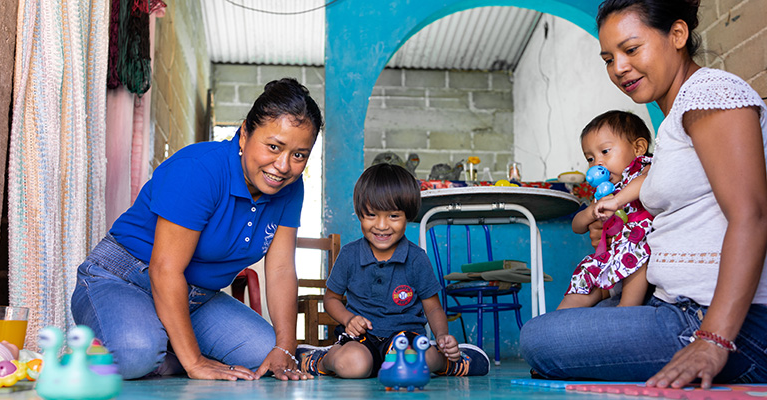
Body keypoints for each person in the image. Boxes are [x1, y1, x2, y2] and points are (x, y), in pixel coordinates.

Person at [520, 0, 767, 389]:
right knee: (550, 330)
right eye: (608, 58)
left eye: (631, 49)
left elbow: (751, 214)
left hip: (730, 325)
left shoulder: (711, 93)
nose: (618, 68)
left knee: (541, 339)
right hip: (675, 308)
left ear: (678, 35)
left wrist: (713, 340)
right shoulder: (674, 122)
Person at [71, 78, 323, 381]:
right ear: (244, 133)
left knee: (264, 353)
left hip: (196, 298)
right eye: (273, 146)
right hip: (124, 279)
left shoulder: (290, 189)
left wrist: (285, 346)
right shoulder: (199, 169)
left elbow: (281, 268)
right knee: (134, 353)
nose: (283, 166)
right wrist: (194, 362)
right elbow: (164, 269)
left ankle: (165, 349)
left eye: (299, 155)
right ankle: (156, 347)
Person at [296, 163, 490, 378]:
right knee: (353, 366)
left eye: (393, 216)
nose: (381, 225)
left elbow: (433, 308)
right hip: (360, 339)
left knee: (413, 360)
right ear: (359, 213)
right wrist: (348, 319)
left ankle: (450, 362)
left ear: (408, 215)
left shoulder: (416, 258)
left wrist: (443, 336)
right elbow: (331, 299)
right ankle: (319, 359)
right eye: (371, 215)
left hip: (405, 339)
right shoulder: (349, 255)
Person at [559, 110, 654, 309]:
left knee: (637, 254)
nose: (598, 163)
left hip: (635, 256)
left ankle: (626, 310)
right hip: (608, 260)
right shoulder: (603, 192)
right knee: (586, 275)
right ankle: (558, 318)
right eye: (590, 158)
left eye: (605, 152)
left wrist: (617, 200)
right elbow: (577, 226)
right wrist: (591, 211)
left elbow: (645, 182)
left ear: (638, 148)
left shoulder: (643, 169)